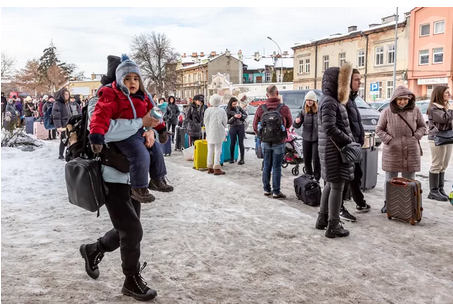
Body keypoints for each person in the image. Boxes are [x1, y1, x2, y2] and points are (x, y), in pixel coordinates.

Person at [89, 54, 166, 204]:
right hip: (114, 173)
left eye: (136, 78)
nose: (132, 82)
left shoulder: (140, 96)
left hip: (132, 175)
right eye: (127, 78)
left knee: (155, 150)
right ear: (117, 78)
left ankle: (157, 179)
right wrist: (140, 123)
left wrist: (155, 130)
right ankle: (140, 188)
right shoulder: (104, 97)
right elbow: (105, 128)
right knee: (130, 228)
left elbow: (153, 115)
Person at [315, 63, 355, 238]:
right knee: (337, 186)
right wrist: (349, 140)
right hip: (335, 151)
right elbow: (330, 128)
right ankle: (333, 224)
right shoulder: (330, 102)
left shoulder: (328, 100)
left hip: (330, 150)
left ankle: (323, 219)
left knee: (330, 185)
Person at [376, 85, 427, 208]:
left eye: (405, 99)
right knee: (390, 179)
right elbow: (379, 129)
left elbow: (423, 126)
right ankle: (388, 203)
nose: (402, 101)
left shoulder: (416, 110)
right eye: (399, 99)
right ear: (394, 99)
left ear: (409, 99)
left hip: (411, 150)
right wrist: (389, 140)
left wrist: (416, 137)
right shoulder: (387, 112)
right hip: (393, 151)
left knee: (409, 179)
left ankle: (408, 204)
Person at [339, 69, 370, 222]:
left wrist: (361, 137)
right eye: (357, 79)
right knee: (345, 177)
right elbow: (343, 125)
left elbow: (356, 122)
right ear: (348, 82)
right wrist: (351, 140)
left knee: (356, 174)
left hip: (354, 144)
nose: (360, 82)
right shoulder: (343, 100)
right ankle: (339, 208)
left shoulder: (351, 99)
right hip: (348, 145)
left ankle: (359, 202)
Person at [253, 84, 292, 199]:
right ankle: (276, 191)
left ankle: (266, 189)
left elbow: (255, 125)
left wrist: (261, 135)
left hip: (265, 141)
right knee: (277, 166)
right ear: (277, 92)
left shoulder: (261, 108)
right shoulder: (284, 108)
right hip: (279, 142)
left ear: (266, 95)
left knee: (266, 165)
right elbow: (289, 123)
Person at [426, 85, 453, 201]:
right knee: (437, 164)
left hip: (448, 137)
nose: (449, 94)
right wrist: (451, 109)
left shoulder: (445, 106)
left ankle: (440, 189)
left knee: (444, 164)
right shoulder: (433, 108)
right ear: (439, 94)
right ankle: (433, 191)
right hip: (436, 138)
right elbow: (444, 119)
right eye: (446, 92)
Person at [293, 90, 321, 182]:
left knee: (316, 159)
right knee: (307, 159)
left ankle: (317, 177)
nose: (308, 102)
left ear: (314, 101)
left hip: (316, 139)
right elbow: (297, 124)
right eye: (307, 100)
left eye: (310, 100)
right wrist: (296, 122)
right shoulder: (303, 112)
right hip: (306, 138)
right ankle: (309, 176)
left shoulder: (319, 111)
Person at [204, 94, 228, 175]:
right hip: (219, 133)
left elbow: (205, 122)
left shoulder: (207, 110)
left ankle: (209, 167)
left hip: (209, 132)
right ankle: (217, 167)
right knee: (218, 150)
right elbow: (225, 123)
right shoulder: (221, 111)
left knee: (210, 150)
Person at [53, 88, 76, 159]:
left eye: (68, 94)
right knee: (63, 140)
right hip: (63, 125)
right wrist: (58, 126)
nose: (67, 96)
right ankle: (61, 154)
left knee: (70, 139)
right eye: (65, 94)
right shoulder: (57, 103)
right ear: (62, 95)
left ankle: (68, 154)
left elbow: (71, 113)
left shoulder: (67, 103)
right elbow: (56, 116)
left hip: (69, 124)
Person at [226, 97, 248, 165]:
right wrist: (234, 117)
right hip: (233, 127)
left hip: (241, 126)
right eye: (233, 104)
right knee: (232, 143)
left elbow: (245, 115)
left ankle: (242, 159)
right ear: (231, 104)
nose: (235, 105)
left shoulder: (239, 108)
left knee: (241, 143)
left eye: (236, 104)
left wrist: (241, 116)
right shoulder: (227, 110)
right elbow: (227, 121)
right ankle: (231, 158)